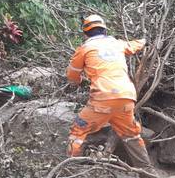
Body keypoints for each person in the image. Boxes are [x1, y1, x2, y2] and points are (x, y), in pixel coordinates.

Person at [65, 14, 154, 169]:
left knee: (78, 131)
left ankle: (69, 175)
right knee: (131, 135)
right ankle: (149, 175)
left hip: (102, 99)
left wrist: (79, 81)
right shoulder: (117, 44)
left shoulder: (84, 49)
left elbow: (72, 77)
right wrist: (146, 40)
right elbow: (135, 45)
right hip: (126, 98)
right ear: (105, 30)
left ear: (85, 33)